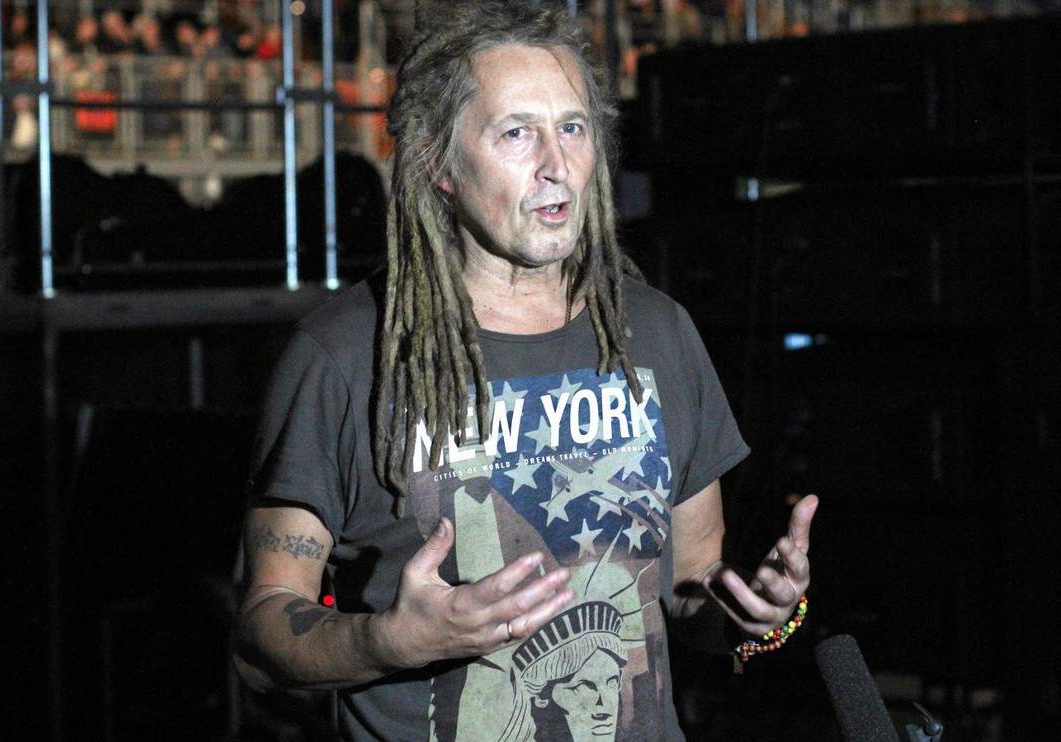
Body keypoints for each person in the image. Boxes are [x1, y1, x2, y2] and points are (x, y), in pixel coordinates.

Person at [234, 1, 817, 740]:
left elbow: (687, 596)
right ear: (437, 163)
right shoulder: (345, 355)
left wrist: (756, 615)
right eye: (516, 133)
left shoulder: (656, 334)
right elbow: (260, 637)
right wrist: (390, 641)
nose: (556, 164)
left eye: (572, 128)